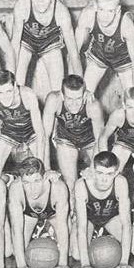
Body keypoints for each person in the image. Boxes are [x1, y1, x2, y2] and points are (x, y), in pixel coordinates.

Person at [11, 0, 82, 94]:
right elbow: (15, 45)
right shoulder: (21, 6)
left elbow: (73, 52)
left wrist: (81, 86)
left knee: (58, 90)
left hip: (50, 44)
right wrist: (9, 79)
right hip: (26, 42)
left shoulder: (61, 11)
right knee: (16, 85)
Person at [42, 74, 104, 202]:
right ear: (62, 95)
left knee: (96, 179)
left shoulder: (93, 105)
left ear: (85, 94)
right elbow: (44, 137)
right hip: (67, 140)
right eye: (69, 99)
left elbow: (100, 140)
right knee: (71, 184)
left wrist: (92, 168)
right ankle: (73, 213)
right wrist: (47, 169)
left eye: (78, 99)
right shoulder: (54, 100)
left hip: (90, 141)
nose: (74, 104)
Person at [8, 157, 73, 268]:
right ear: (20, 180)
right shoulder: (15, 189)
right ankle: (43, 231)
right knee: (15, 252)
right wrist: (21, 265)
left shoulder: (58, 187)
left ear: (45, 177)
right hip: (29, 215)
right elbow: (16, 230)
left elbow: (63, 227)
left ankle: (47, 229)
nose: (32, 188)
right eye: (27, 182)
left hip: (53, 215)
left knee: (71, 253)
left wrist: (63, 264)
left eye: (37, 181)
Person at [74, 151, 134, 268]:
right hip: (89, 219)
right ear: (92, 170)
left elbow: (126, 224)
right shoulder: (82, 185)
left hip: (110, 218)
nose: (104, 179)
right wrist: (85, 264)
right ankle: (97, 232)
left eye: (109, 174)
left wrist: (124, 262)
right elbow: (81, 228)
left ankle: (105, 232)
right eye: (100, 173)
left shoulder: (121, 182)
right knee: (76, 255)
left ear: (116, 173)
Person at [0, 70, 45, 177]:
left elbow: (40, 133)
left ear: (15, 87)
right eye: (0, 93)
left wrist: (41, 164)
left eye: (8, 91)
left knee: (41, 172)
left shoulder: (28, 95)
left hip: (32, 134)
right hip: (8, 134)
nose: (5, 97)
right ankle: (9, 179)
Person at [76, 0, 134, 95]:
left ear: (118, 10)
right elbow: (74, 52)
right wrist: (73, 81)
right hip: (99, 55)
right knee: (83, 95)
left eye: (110, 11)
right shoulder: (87, 15)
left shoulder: (126, 25)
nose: (105, 16)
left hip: (124, 61)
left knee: (132, 99)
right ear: (95, 6)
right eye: (101, 10)